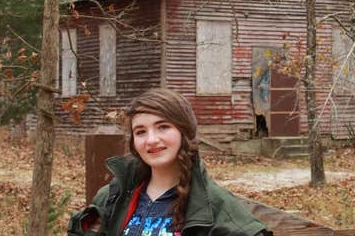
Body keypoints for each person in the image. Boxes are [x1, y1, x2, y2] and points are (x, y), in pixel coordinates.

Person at [68, 88, 270, 236]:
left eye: (163, 127)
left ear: (184, 132)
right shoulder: (113, 196)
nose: (151, 140)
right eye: (140, 132)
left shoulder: (215, 205)